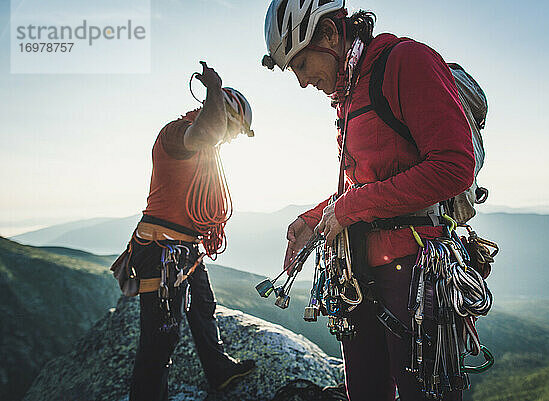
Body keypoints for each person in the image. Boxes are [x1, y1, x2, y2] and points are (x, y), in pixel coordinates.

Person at [263, 1, 475, 400]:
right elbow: (364, 186)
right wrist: (315, 219)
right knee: (363, 390)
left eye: (303, 64)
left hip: (413, 271)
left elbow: (454, 166)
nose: (302, 82)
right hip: (358, 272)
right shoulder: (350, 91)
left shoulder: (405, 62)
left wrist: (350, 209)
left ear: (329, 34)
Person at [127, 62, 255, 401]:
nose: (228, 139)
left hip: (184, 248)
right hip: (160, 249)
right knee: (159, 340)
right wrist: (215, 89)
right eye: (231, 130)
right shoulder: (178, 134)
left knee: (203, 307)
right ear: (220, 114)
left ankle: (218, 370)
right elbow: (206, 132)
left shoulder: (204, 150)